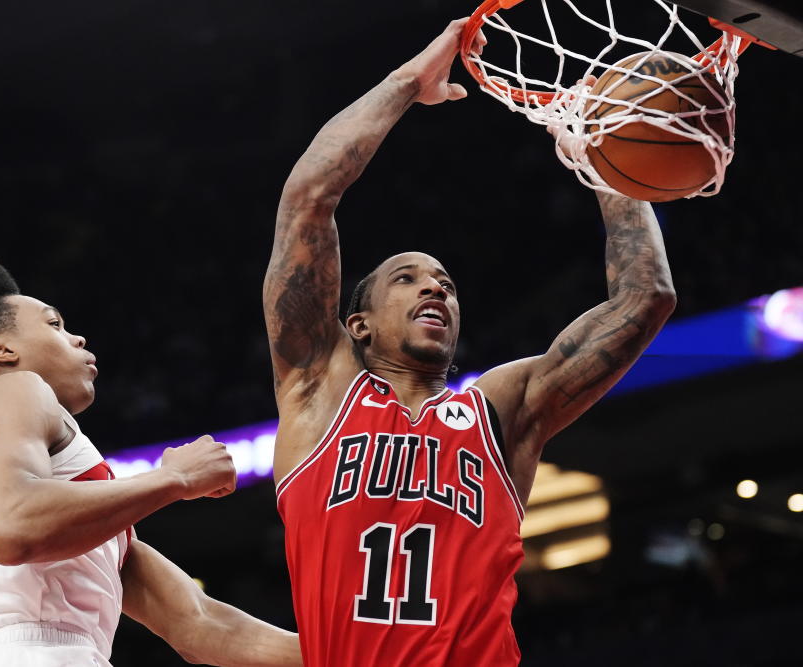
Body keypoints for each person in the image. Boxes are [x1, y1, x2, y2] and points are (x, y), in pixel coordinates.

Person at [263, 18, 676, 667]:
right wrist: (407, 82)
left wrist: (602, 158)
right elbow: (309, 199)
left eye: (447, 285)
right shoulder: (318, 392)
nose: (436, 290)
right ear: (358, 324)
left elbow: (644, 299)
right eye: (408, 278)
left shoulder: (499, 410)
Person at [0, 260, 302, 667]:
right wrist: (174, 477)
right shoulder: (11, 389)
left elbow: (202, 626)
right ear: (2, 350)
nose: (78, 338)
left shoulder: (91, 523)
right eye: (54, 325)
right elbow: (14, 526)